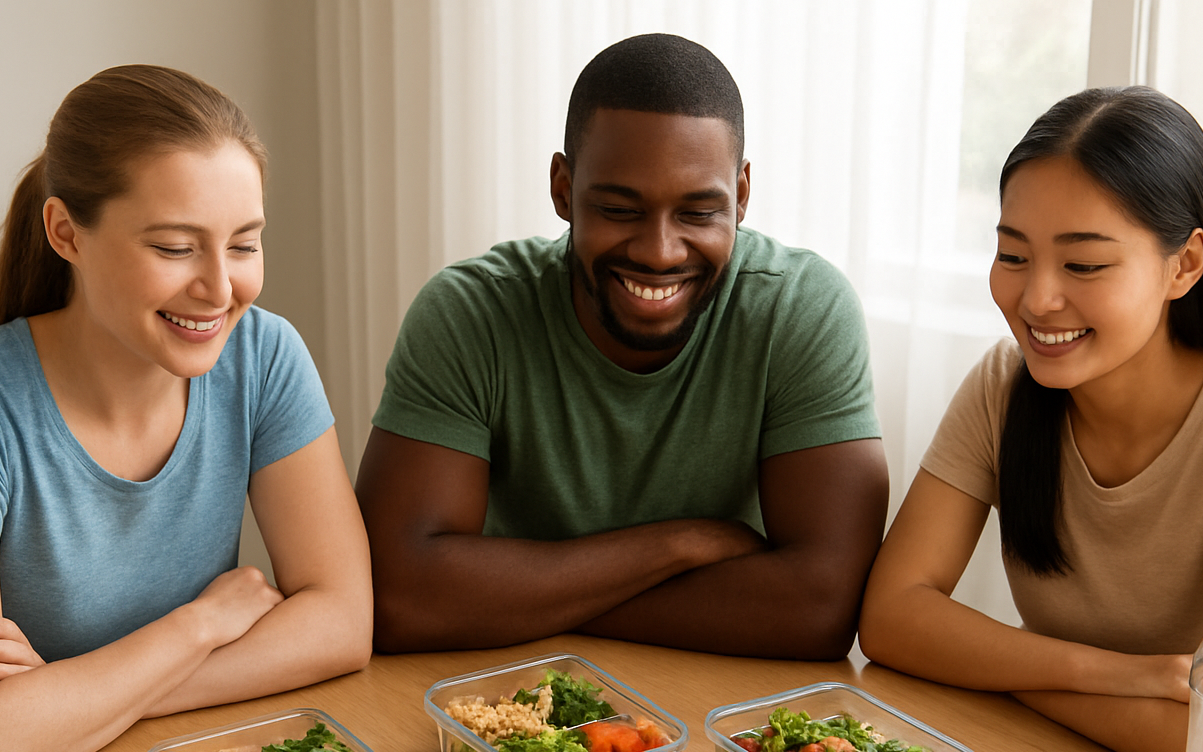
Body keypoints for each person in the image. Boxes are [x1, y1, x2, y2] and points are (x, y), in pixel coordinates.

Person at [0, 66, 372, 752]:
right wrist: (199, 626)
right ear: (66, 232)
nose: (221, 289)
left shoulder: (264, 356)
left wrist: (78, 695)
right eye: (175, 248)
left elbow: (343, 624)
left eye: (243, 244)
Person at [858, 86, 1203, 752]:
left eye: (1084, 266)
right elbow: (891, 617)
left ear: (1184, 266)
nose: (1036, 300)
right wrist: (1121, 676)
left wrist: (1001, 671)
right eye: (1012, 254)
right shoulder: (1006, 385)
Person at [355, 34, 889, 660]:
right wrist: (676, 547)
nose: (660, 252)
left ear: (741, 196)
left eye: (698, 213)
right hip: (504, 694)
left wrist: (526, 598)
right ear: (563, 187)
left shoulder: (801, 309)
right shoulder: (470, 314)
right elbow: (400, 596)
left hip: (717, 700)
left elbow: (820, 610)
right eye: (618, 207)